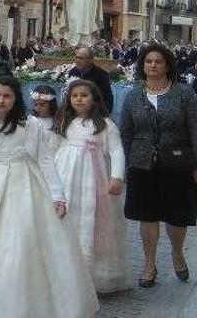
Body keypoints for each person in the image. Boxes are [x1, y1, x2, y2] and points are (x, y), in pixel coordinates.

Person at [0, 76, 99, 317]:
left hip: (27, 183)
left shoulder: (28, 124)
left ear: (16, 99)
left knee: (26, 236)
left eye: (7, 96)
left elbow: (44, 159)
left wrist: (57, 195)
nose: (1, 100)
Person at [119, 43, 197, 288]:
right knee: (148, 215)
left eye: (158, 62)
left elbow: (195, 128)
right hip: (142, 163)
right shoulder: (134, 95)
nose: (152, 65)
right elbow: (126, 132)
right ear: (142, 66)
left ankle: (177, 253)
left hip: (177, 161)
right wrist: (124, 165)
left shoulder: (184, 93)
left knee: (176, 216)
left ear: (167, 66)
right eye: (148, 61)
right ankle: (149, 265)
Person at [53, 80, 130, 293]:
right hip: (65, 180)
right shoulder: (63, 122)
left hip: (93, 183)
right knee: (68, 221)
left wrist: (116, 177)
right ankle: (65, 274)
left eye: (84, 95)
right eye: (75, 95)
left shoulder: (105, 125)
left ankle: (93, 276)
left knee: (92, 222)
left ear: (94, 99)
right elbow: (53, 149)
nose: (78, 99)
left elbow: (116, 151)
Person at [69, 46, 114, 112]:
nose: (77, 61)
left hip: (95, 114)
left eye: (81, 58)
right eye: (76, 57)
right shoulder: (72, 72)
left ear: (90, 60)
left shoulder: (101, 75)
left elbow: (108, 99)